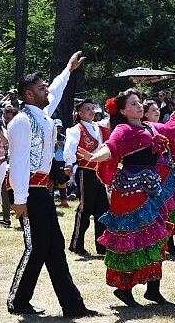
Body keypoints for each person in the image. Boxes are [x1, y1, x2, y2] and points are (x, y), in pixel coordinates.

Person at [79, 89, 175, 307]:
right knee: (131, 239)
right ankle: (125, 289)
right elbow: (111, 148)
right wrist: (94, 156)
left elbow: (171, 128)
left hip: (150, 190)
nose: (139, 106)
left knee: (157, 237)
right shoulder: (123, 129)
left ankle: (153, 290)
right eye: (133, 104)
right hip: (131, 193)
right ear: (123, 110)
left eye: (139, 102)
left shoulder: (149, 126)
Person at [6, 51, 97, 317]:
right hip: (30, 192)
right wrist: (20, 199)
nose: (47, 91)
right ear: (29, 95)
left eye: (45, 86)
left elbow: (56, 90)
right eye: (41, 88)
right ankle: (18, 301)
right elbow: (19, 161)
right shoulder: (22, 121)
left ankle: (72, 305)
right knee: (36, 247)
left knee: (54, 247)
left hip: (42, 190)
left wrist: (69, 69)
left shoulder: (42, 115)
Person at [64, 99, 110, 257]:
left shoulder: (99, 127)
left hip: (100, 172)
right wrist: (69, 164)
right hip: (86, 171)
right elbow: (70, 147)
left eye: (93, 108)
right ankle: (76, 244)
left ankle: (102, 246)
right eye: (87, 109)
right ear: (80, 113)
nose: (91, 111)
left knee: (103, 208)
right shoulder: (76, 129)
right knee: (86, 208)